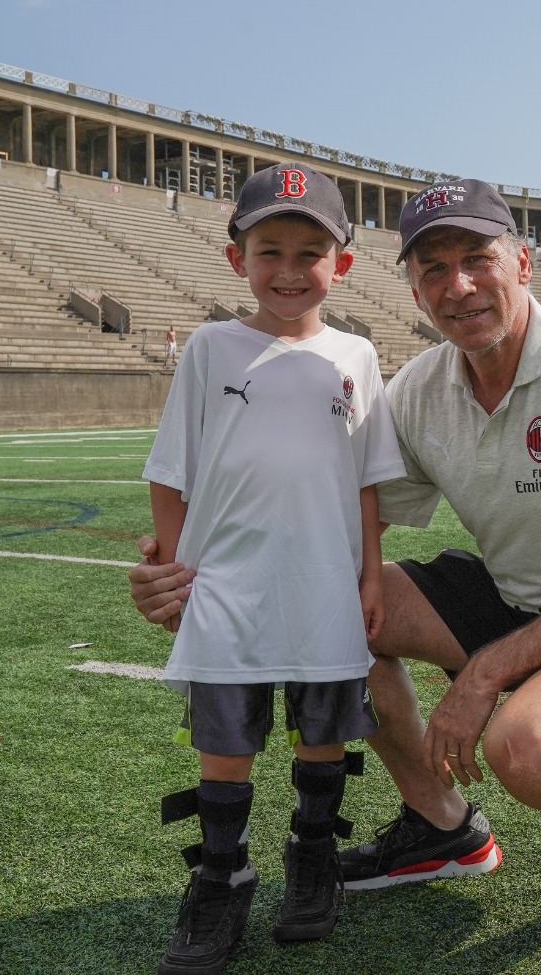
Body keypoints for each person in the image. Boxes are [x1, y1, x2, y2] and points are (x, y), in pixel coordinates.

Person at [131, 178, 541, 934]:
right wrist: (186, 570)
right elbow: (328, 508)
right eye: (434, 269)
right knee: (342, 603)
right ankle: (442, 824)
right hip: (519, 591)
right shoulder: (418, 388)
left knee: (530, 750)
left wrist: (483, 675)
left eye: (477, 259)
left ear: (523, 262)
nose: (460, 286)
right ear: (412, 287)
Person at [142, 162, 405, 975]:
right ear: (237, 259)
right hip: (226, 582)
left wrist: (370, 574)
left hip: (326, 577)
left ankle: (313, 853)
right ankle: (222, 873)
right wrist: (176, 571)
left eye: (309, 252)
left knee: (322, 731)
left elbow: (366, 481)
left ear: (343, 264)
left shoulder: (358, 357)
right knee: (225, 743)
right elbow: (169, 470)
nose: (289, 271)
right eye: (269, 251)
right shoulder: (212, 346)